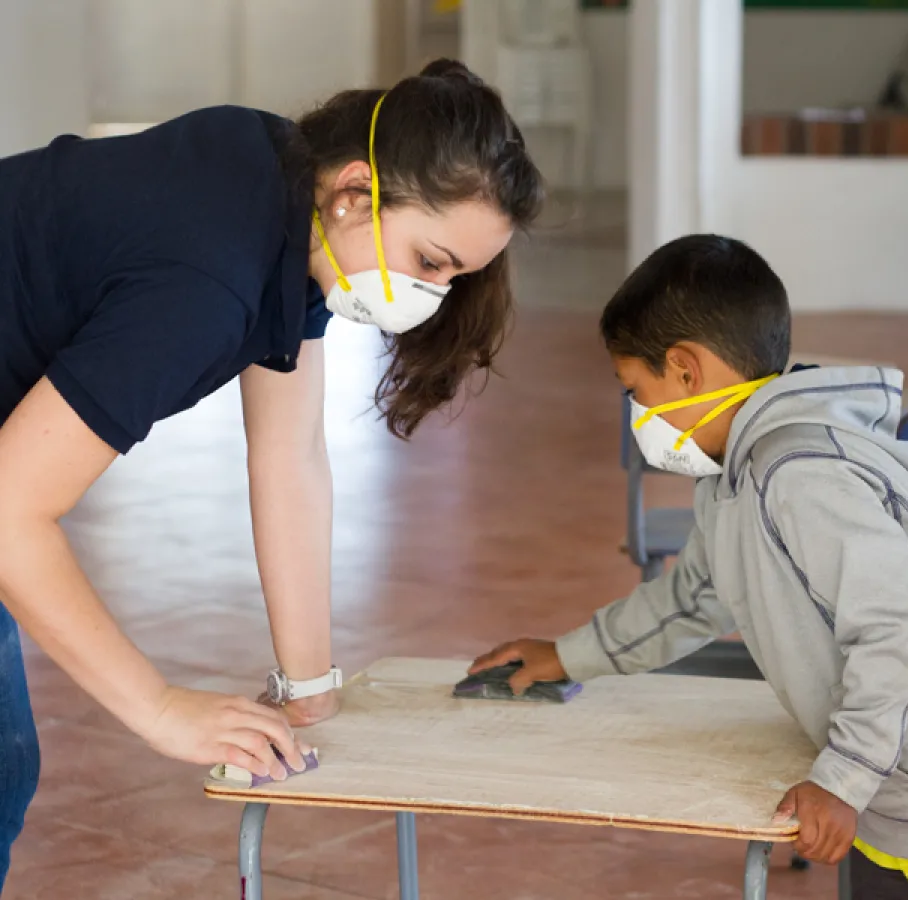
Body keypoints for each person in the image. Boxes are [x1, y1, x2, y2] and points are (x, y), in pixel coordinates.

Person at [0, 58, 543, 886]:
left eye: (457, 277)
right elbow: (9, 511)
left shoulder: (289, 192)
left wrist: (309, 686)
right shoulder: (208, 276)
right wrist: (158, 708)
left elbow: (290, 454)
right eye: (431, 261)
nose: (435, 294)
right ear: (358, 191)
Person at [470, 235, 908, 900]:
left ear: (687, 371)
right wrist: (569, 657)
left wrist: (842, 780)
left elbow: (896, 635)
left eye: (636, 390)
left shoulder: (802, 474)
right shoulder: (734, 477)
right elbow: (693, 599)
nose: (635, 413)